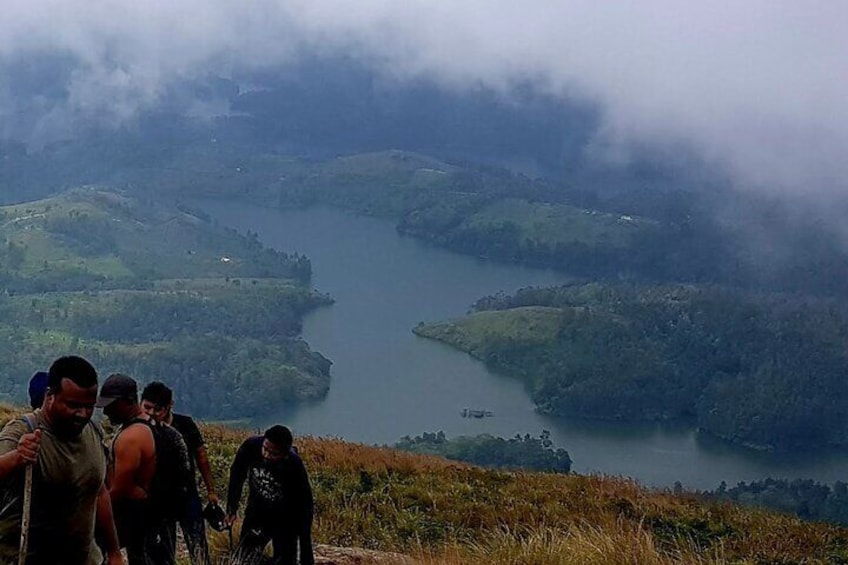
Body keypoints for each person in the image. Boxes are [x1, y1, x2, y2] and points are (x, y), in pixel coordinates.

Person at [0, 355, 123, 565]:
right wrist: (16, 458)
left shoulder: (93, 431)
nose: (82, 414)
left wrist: (114, 552)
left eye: (89, 406)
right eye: (73, 405)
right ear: (50, 396)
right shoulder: (23, 431)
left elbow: (99, 491)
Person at [98, 373, 191, 565]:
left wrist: (97, 511)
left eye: (111, 405)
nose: (106, 412)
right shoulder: (159, 428)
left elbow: (120, 489)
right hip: (161, 518)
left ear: (128, 402)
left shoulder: (130, 437)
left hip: (142, 521)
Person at [141, 381, 216, 565]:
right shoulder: (140, 430)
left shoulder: (185, 424)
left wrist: (211, 491)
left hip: (186, 494)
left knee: (198, 545)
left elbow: (201, 458)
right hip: (158, 499)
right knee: (164, 551)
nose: (151, 413)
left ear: (169, 407)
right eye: (146, 407)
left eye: (157, 409)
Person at [226, 425, 314, 565]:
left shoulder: (294, 465)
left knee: (285, 560)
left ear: (284, 454)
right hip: (257, 512)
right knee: (245, 557)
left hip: (286, 518)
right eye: (265, 448)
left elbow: (305, 505)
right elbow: (237, 474)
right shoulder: (251, 446)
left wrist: (306, 551)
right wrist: (231, 508)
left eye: (273, 453)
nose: (266, 454)